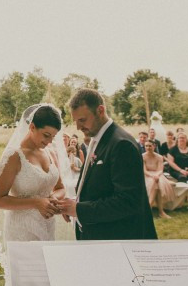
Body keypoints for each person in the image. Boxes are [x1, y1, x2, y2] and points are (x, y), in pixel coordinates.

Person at [59, 89, 157, 240]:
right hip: (99, 233)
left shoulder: (121, 144)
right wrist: (75, 203)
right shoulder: (99, 138)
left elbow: (128, 201)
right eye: (76, 121)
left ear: (100, 110)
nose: (78, 127)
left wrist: (79, 210)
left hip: (118, 237)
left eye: (82, 120)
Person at [0, 104, 66, 248]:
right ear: (32, 127)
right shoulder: (14, 156)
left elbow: (60, 188)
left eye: (53, 137)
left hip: (47, 224)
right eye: (46, 135)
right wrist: (37, 202)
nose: (49, 141)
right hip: (22, 230)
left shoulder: (50, 152)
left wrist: (53, 199)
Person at [143, 140, 175, 219]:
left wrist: (156, 175)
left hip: (158, 175)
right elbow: (144, 170)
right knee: (156, 183)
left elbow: (160, 170)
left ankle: (148, 210)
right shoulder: (142, 156)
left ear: (154, 146)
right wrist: (152, 176)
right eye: (146, 146)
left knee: (157, 183)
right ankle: (160, 212)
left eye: (150, 146)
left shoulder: (159, 157)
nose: (148, 148)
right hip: (147, 175)